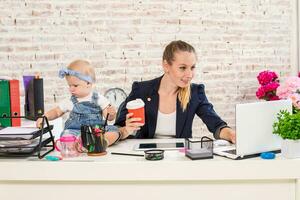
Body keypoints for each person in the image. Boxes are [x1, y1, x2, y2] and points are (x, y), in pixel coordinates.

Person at [115, 40, 236, 143]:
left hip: (181, 156)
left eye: (192, 67)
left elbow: (216, 125)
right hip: (147, 155)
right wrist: (126, 130)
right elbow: (117, 128)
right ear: (166, 66)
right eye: (182, 68)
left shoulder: (195, 93)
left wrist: (232, 135)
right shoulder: (141, 90)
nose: (189, 74)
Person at [36, 59, 121, 146]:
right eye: (69, 85)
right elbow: (57, 112)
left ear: (88, 83)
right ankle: (80, 144)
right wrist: (44, 117)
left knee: (114, 131)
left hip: (97, 131)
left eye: (75, 85)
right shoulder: (70, 101)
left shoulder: (99, 98)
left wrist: (111, 114)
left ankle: (102, 142)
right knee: (66, 135)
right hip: (76, 131)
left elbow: (109, 118)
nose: (71, 89)